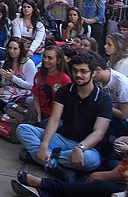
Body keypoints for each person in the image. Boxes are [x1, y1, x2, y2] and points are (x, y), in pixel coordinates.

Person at [17, 53, 112, 181]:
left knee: (91, 160)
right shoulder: (65, 91)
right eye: (75, 71)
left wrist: (80, 147)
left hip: (87, 146)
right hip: (63, 138)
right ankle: (53, 163)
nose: (78, 75)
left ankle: (40, 158)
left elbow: (99, 132)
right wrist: (44, 144)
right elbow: (54, 119)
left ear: (93, 73)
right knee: (23, 129)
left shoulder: (103, 99)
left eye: (83, 71)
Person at [89, 51, 128, 137]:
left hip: (126, 124)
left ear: (98, 70)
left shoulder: (121, 83)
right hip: (108, 115)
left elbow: (124, 115)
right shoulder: (97, 82)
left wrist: (103, 106)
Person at [32, 46, 72, 127]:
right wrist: (38, 117)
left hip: (56, 117)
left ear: (59, 60)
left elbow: (67, 106)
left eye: (50, 58)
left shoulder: (65, 79)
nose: (46, 60)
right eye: (45, 57)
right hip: (40, 111)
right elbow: (36, 97)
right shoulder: (39, 75)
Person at [0, 38, 37, 104]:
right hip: (9, 90)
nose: (11, 51)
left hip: (24, 93)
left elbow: (30, 85)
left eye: (15, 49)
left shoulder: (28, 63)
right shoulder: (8, 61)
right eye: (10, 48)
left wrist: (13, 78)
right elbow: (3, 84)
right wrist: (6, 78)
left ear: (20, 50)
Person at [13, 0, 46, 65]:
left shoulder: (39, 24)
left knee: (31, 63)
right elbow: (17, 38)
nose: (26, 9)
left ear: (33, 9)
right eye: (24, 7)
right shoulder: (17, 21)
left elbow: (38, 40)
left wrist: (31, 50)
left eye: (28, 7)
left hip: (36, 51)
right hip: (21, 49)